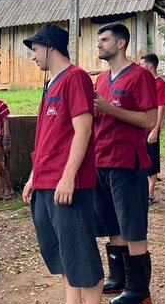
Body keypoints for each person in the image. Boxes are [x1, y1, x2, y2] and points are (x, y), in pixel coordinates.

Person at [21, 24, 104, 304]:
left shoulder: (76, 77)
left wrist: (68, 177)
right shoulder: (50, 83)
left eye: (35, 50)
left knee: (81, 254)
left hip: (67, 184)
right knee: (62, 253)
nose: (33, 57)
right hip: (45, 181)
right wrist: (34, 175)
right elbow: (47, 135)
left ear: (50, 46)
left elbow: (83, 130)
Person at [93, 23, 157, 304]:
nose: (99, 44)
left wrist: (110, 108)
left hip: (126, 162)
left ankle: (139, 290)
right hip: (100, 159)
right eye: (99, 40)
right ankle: (118, 278)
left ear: (121, 43)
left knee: (132, 225)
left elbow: (149, 120)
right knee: (112, 223)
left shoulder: (139, 77)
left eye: (104, 40)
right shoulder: (101, 80)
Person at [139, 53, 165, 205]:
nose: (140, 66)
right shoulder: (144, 83)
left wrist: (155, 129)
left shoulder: (160, 84)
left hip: (150, 129)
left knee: (152, 160)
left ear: (150, 65)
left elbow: (161, 107)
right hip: (140, 129)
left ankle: (150, 193)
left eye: (142, 64)